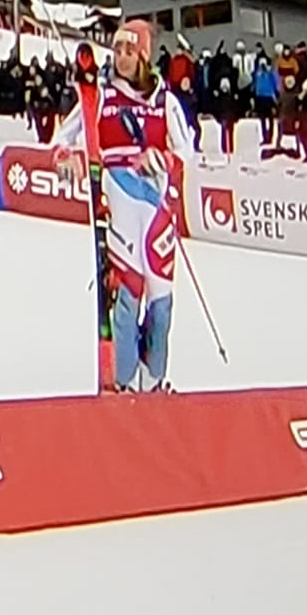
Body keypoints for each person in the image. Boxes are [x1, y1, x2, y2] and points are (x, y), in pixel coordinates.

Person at [53, 20, 194, 393]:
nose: (121, 57)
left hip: (157, 209)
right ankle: (126, 380)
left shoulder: (165, 100)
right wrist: (66, 157)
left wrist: (160, 157)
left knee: (161, 303)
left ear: (144, 56)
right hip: (118, 201)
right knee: (128, 294)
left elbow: (187, 151)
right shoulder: (99, 96)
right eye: (117, 50)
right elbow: (63, 138)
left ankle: (155, 379)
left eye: (129, 51)